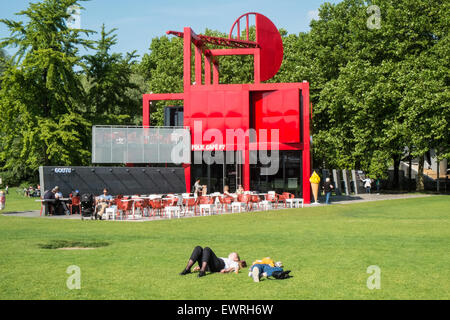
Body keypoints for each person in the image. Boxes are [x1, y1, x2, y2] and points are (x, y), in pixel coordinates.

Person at [179, 246, 247, 278]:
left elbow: (235, 268)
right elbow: (208, 258)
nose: (231, 253)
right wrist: (198, 267)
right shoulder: (227, 258)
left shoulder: (234, 262)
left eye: (233, 254)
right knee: (198, 248)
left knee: (207, 249)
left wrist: (226, 270)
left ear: (236, 259)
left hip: (219, 265)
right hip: (209, 266)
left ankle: (202, 271)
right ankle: (187, 269)